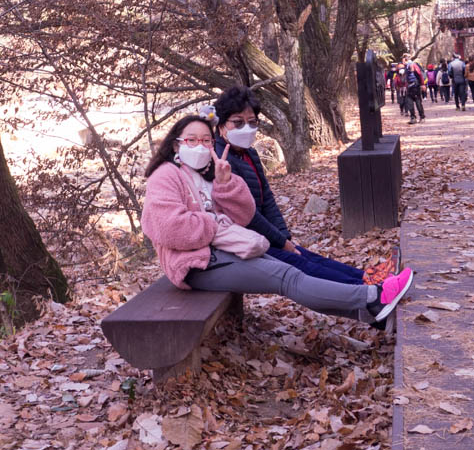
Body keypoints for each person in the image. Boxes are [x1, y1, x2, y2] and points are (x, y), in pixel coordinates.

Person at [141, 114, 414, 327]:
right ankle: (373, 298)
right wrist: (215, 224)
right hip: (195, 265)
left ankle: (370, 314)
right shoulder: (166, 175)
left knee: (292, 270)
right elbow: (170, 228)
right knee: (286, 277)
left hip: (225, 250)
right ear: (176, 144)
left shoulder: (207, 174)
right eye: (192, 140)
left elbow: (242, 216)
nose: (200, 147)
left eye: (206, 141)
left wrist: (225, 184)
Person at [213, 86, 377, 285]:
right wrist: (281, 242)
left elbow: (267, 199)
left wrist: (283, 237)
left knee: (308, 256)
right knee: (302, 265)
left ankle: (368, 278)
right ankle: (367, 291)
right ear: (221, 126)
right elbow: (248, 216)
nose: (246, 129)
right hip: (244, 243)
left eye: (252, 122)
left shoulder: (250, 153)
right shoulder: (220, 163)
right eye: (238, 123)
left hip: (266, 236)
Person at [405, 59, 425, 124]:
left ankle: (422, 117)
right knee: (410, 104)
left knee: (418, 103)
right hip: (409, 89)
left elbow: (420, 76)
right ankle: (413, 118)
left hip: (416, 88)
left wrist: (422, 85)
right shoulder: (406, 69)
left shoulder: (416, 68)